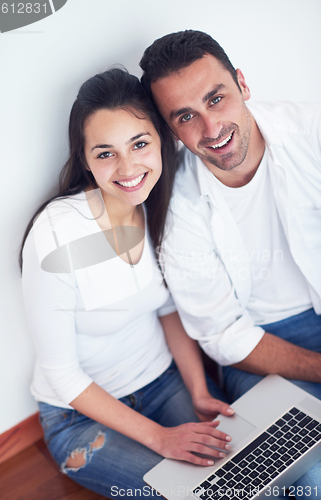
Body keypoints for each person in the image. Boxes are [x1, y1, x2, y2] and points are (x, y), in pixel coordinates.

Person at [20, 68, 234, 499]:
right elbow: (62, 376)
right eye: (105, 153)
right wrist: (160, 438)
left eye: (139, 144)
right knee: (190, 493)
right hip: (79, 418)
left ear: (161, 140)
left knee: (240, 474)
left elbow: (166, 309)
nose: (128, 167)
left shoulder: (165, 206)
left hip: (164, 382)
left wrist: (197, 389)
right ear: (84, 159)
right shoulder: (55, 235)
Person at [140, 30, 321, 499]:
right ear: (170, 129)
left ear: (242, 84)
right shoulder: (174, 206)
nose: (211, 128)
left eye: (216, 98)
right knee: (308, 480)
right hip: (261, 351)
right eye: (186, 116)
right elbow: (224, 335)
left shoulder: (311, 130)